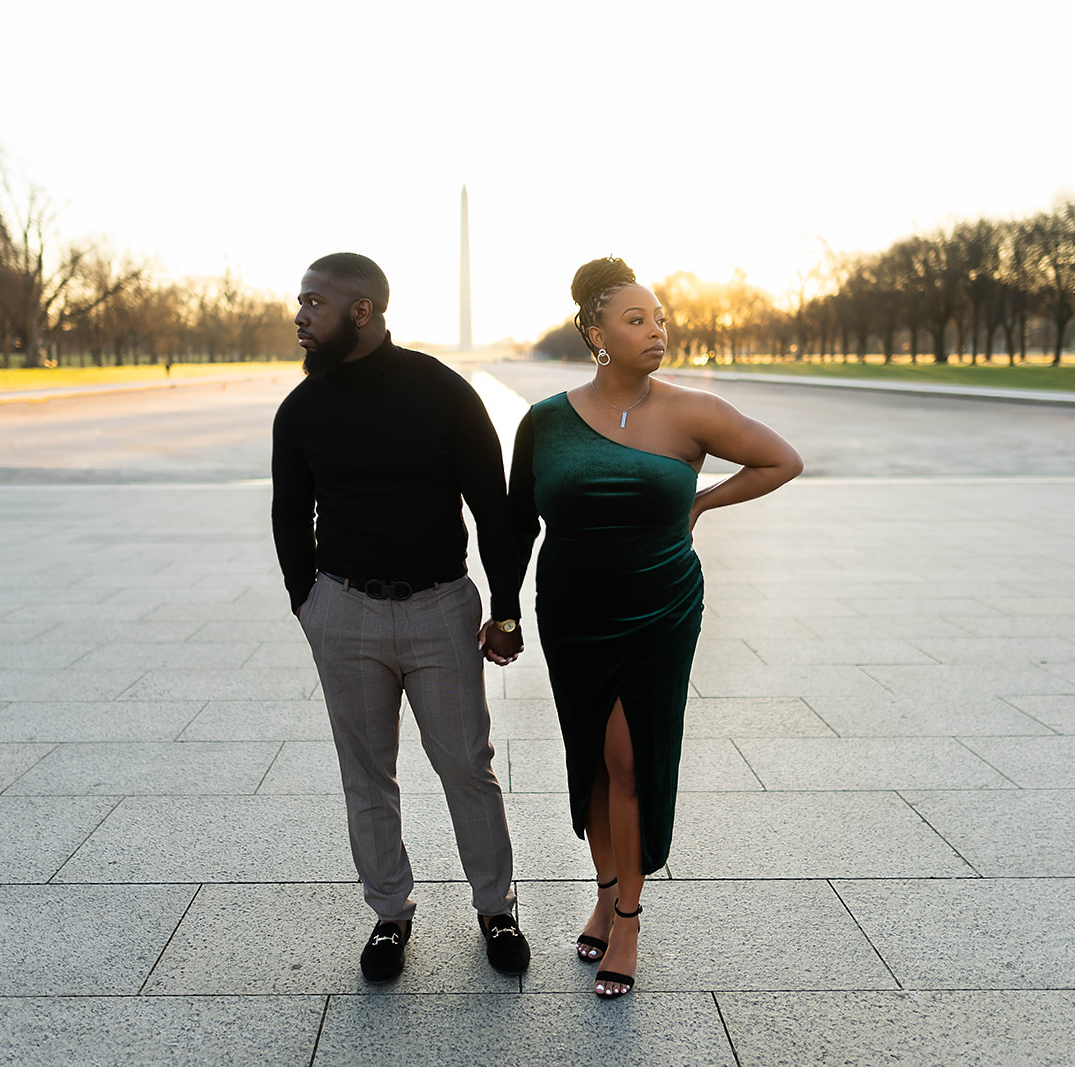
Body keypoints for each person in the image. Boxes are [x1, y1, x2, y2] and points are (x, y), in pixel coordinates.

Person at [509, 256, 802, 997]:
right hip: (572, 610)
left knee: (632, 762)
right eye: (637, 319)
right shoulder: (544, 421)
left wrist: (700, 503)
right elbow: (516, 520)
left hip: (659, 608)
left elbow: (781, 459)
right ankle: (607, 886)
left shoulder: (691, 411)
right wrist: (502, 607)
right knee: (594, 762)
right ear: (595, 331)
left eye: (661, 318)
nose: (657, 330)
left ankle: (630, 917)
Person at [271, 252, 530, 983]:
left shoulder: (441, 393)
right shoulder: (302, 409)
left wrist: (506, 608)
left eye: (313, 302)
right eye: (300, 301)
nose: (299, 316)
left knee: (467, 767)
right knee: (366, 774)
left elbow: (493, 504)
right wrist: (309, 603)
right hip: (344, 611)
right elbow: (290, 512)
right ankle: (390, 914)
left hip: (440, 609)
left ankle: (496, 906)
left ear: (363, 309)